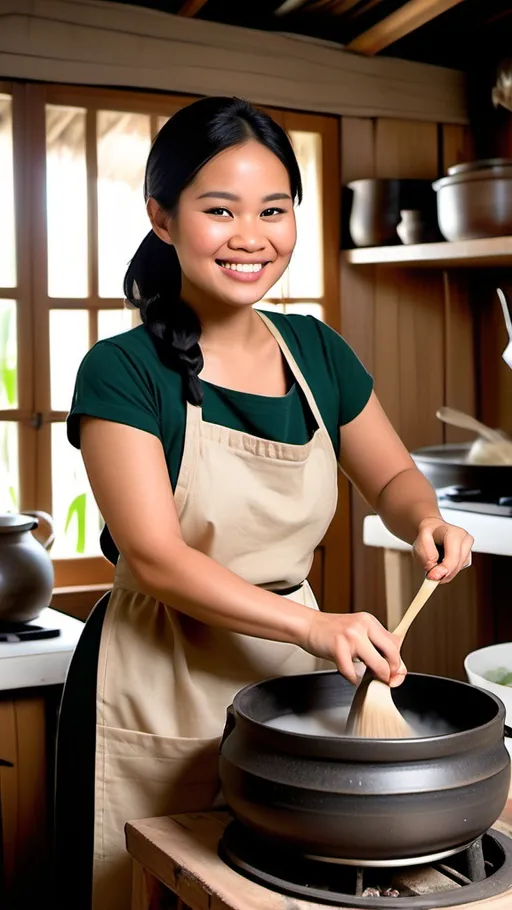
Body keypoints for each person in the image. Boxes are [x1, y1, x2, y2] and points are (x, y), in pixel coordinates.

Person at [54, 96, 473, 910]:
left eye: (273, 210)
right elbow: (155, 558)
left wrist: (425, 519)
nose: (252, 236)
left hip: (291, 680)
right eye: (220, 210)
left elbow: (390, 479)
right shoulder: (121, 371)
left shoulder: (318, 351)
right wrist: (316, 627)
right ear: (163, 219)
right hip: (154, 675)